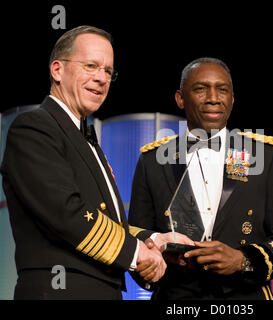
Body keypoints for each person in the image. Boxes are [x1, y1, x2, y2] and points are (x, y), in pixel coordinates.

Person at [0, 25, 166, 300]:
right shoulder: (33, 127)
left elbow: (106, 219)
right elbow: (67, 212)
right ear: (57, 70)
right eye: (90, 66)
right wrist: (137, 254)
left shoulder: (84, 137)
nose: (101, 78)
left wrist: (156, 239)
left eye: (108, 71)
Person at [128, 57, 273, 300]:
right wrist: (149, 265)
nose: (213, 97)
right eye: (201, 89)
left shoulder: (264, 155)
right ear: (180, 98)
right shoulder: (153, 160)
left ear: (232, 98)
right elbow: (137, 235)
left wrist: (242, 261)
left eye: (222, 89)